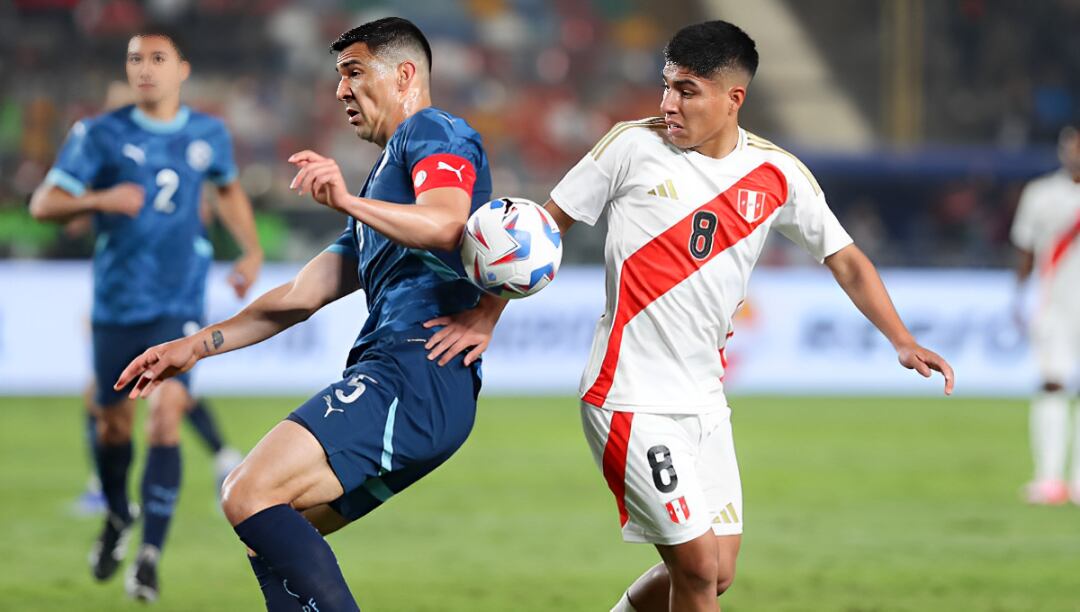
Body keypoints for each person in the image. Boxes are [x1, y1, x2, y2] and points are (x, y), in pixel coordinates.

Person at [425, 20, 954, 612]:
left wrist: (901, 339)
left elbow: (847, 259)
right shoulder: (630, 147)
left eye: (687, 91)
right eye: (666, 85)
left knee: (717, 571)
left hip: (704, 401)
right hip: (627, 396)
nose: (667, 104)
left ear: (733, 99)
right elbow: (538, 234)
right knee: (697, 569)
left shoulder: (777, 175)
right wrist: (487, 315)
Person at [115, 17, 491, 611]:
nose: (340, 90)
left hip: (415, 373)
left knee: (248, 492)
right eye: (338, 76)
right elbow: (298, 296)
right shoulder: (381, 194)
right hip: (418, 386)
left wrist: (346, 201)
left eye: (354, 73)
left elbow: (447, 221)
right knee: (268, 536)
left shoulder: (432, 130)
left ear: (405, 75)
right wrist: (195, 346)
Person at [29, 28, 262, 601]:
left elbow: (227, 188)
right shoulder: (98, 134)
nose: (145, 68)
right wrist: (99, 199)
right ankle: (117, 513)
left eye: (158, 58)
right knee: (112, 424)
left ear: (182, 69)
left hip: (179, 301)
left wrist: (251, 250)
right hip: (118, 304)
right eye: (136, 59)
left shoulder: (209, 133)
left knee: (166, 414)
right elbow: (43, 203)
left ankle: (150, 556)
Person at [1010, 122, 1080, 505]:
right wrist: (1019, 296)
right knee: (1052, 383)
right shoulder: (1040, 194)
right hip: (1055, 304)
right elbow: (1025, 249)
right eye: (1072, 146)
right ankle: (1050, 478)